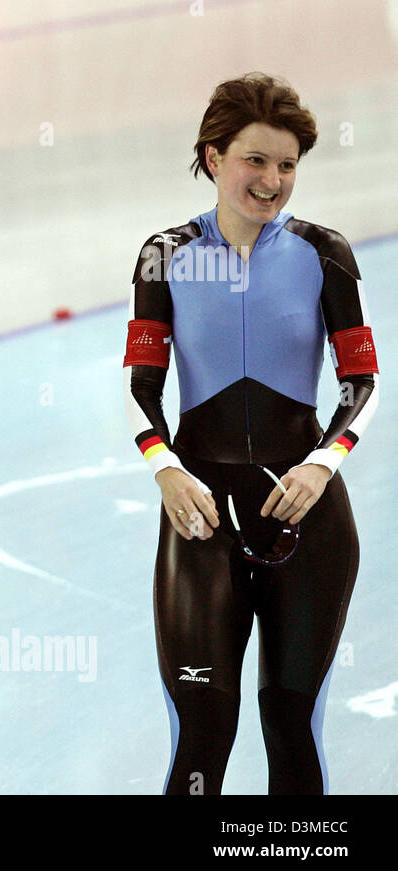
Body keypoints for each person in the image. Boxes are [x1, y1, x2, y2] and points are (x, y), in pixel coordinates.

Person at [123, 73, 379, 795]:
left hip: (306, 518)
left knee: (290, 721)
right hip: (200, 515)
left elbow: (363, 380)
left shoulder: (324, 252)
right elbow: (139, 385)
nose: (273, 181)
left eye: (288, 165)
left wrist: (324, 462)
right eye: (255, 160)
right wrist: (165, 467)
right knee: (203, 723)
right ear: (213, 157)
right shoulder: (163, 253)